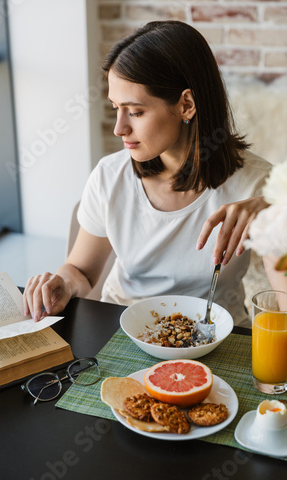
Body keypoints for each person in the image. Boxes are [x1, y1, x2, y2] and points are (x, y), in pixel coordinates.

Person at [23, 20, 272, 327]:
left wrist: (277, 209)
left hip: (220, 337)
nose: (119, 128)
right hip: (122, 331)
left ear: (187, 105)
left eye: (136, 112)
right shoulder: (109, 177)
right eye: (116, 107)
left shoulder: (260, 185)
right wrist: (62, 284)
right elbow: (82, 272)